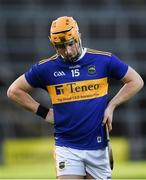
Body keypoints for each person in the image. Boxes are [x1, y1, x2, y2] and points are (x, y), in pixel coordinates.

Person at [7, 16, 144, 179]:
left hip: (98, 147)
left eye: (70, 43)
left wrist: (111, 106)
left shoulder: (103, 60)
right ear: (53, 44)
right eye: (60, 47)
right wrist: (45, 113)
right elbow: (14, 91)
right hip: (67, 147)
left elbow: (136, 81)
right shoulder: (46, 68)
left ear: (78, 35)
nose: (68, 51)